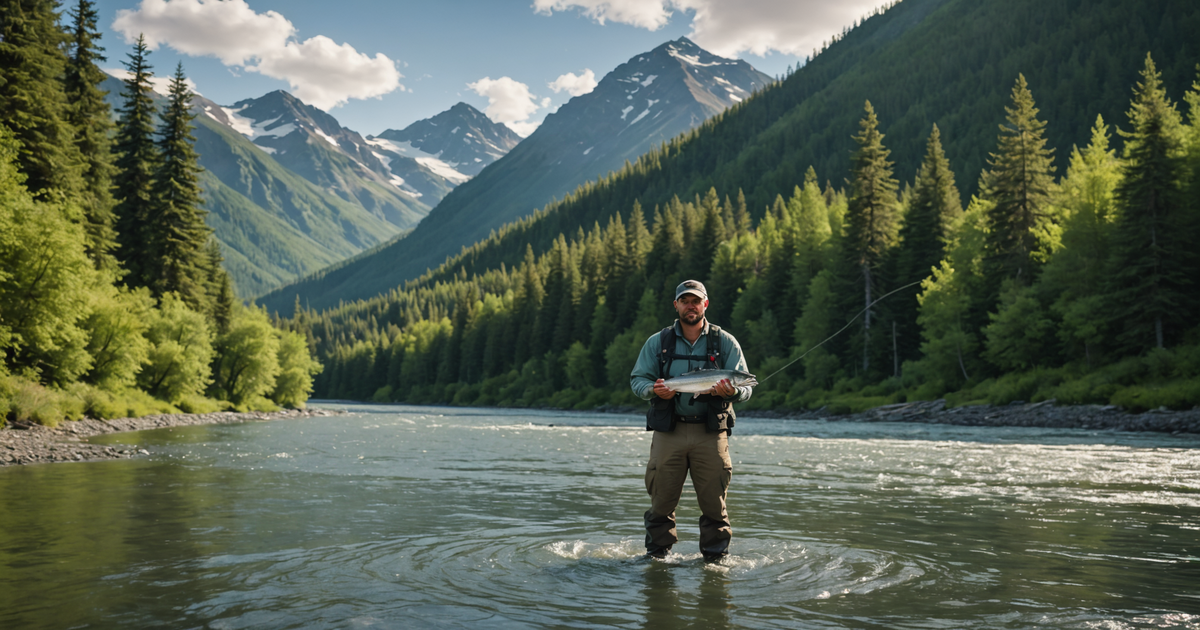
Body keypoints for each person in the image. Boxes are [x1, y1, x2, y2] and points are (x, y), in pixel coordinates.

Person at [629, 279, 753, 561]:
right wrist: (654, 390)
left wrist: (733, 391)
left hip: (711, 434)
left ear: (705, 304)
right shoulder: (658, 342)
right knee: (661, 501)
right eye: (685, 301)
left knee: (714, 504)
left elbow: (746, 387)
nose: (691, 306)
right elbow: (638, 381)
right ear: (676, 305)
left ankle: (715, 559)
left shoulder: (725, 342)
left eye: (696, 301)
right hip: (668, 433)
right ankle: (657, 557)